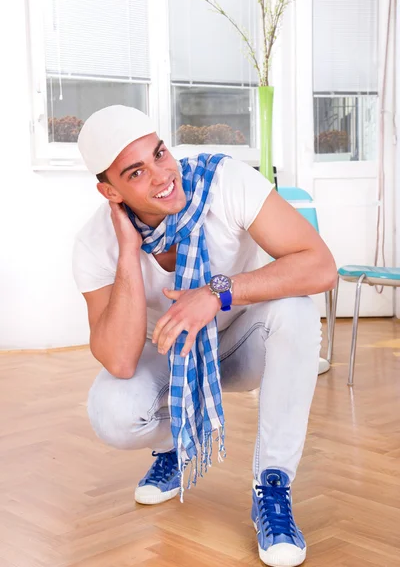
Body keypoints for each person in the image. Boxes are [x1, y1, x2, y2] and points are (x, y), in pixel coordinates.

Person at [73, 105, 336, 567]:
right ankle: (178, 444)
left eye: (159, 154)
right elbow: (117, 360)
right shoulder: (97, 242)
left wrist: (217, 293)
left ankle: (272, 485)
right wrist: (129, 251)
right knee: (110, 412)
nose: (162, 175)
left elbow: (319, 265)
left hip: (242, 342)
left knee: (296, 310)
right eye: (137, 173)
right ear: (109, 191)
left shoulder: (225, 182)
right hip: (172, 355)